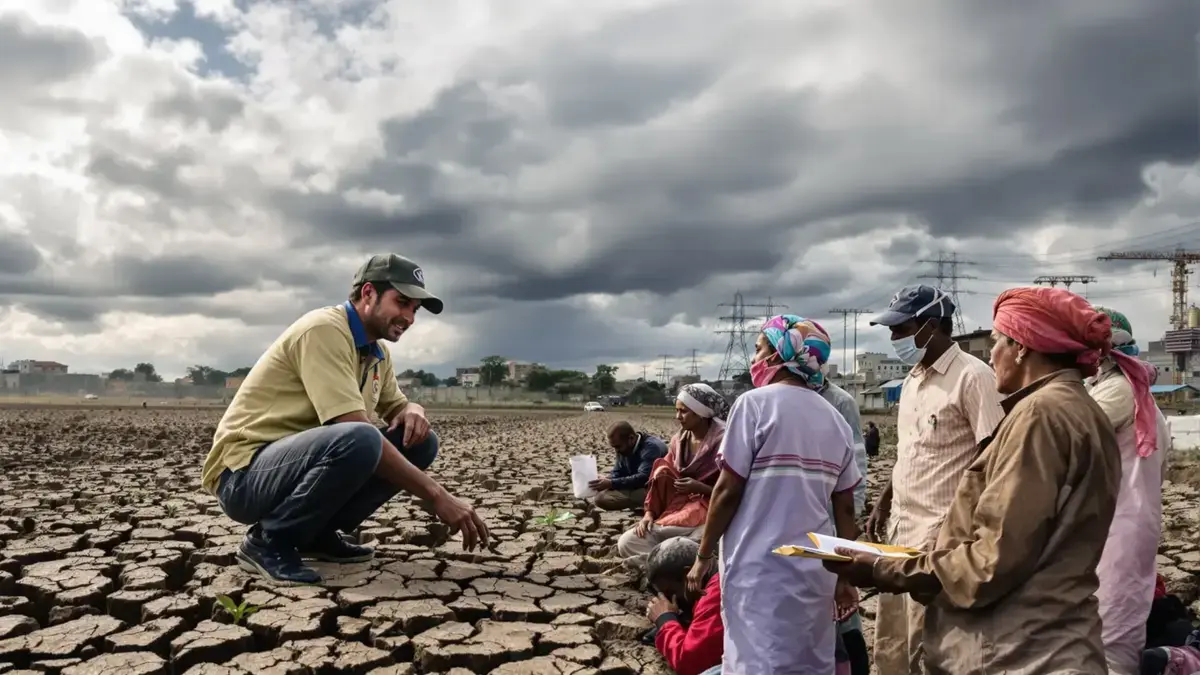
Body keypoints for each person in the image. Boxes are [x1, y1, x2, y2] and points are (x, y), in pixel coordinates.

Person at [826, 286, 1122, 674]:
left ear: (1022, 347)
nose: (991, 352)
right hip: (1046, 636)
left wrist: (882, 570)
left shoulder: (1040, 416)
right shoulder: (1074, 407)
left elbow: (991, 562)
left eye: (997, 341)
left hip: (1025, 649)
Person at [200, 254, 489, 585]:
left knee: (420, 442)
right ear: (368, 294)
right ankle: (269, 541)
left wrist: (413, 409)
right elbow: (350, 426)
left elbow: (396, 406)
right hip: (244, 476)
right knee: (359, 438)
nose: (409, 317)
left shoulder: (375, 351)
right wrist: (436, 495)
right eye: (402, 303)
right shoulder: (324, 330)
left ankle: (316, 534)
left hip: (291, 468)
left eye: (415, 310)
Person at [686, 315, 861, 675]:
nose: (754, 359)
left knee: (756, 659)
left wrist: (703, 556)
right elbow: (845, 508)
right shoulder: (835, 420)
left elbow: (727, 490)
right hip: (816, 568)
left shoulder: (753, 405)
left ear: (781, 353)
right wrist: (845, 576)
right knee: (808, 660)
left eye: (759, 349)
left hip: (760, 567)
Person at [864, 284, 1006, 674]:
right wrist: (885, 500)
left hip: (940, 538)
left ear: (930, 326)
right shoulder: (912, 379)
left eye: (900, 329)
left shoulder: (974, 378)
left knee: (929, 645)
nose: (894, 339)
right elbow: (910, 451)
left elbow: (992, 457)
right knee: (892, 641)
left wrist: (963, 529)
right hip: (901, 530)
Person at [1088, 307, 1171, 675]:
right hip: (1129, 527)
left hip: (1114, 531)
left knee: (1109, 634)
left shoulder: (1116, 393)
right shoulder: (1139, 397)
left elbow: (1063, 440)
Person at [617, 384, 727, 560]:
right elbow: (660, 480)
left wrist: (701, 488)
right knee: (628, 542)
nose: (678, 417)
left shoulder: (725, 441)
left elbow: (734, 490)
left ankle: (671, 566)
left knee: (697, 545)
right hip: (677, 512)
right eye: (676, 411)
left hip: (712, 515)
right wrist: (649, 514)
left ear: (701, 412)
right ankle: (665, 567)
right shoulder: (679, 441)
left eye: (683, 411)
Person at [816, 378, 870, 675]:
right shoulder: (773, 397)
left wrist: (847, 529)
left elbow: (856, 463)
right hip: (799, 523)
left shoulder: (839, 402)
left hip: (833, 522)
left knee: (842, 610)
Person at [644, 537, 724, 675]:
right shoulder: (717, 576)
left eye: (671, 592)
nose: (671, 601)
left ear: (688, 575)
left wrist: (666, 621)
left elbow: (689, 662)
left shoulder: (715, 594)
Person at [590, 421, 668, 511]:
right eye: (614, 447)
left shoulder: (651, 448)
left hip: (655, 490)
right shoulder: (624, 448)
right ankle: (644, 504)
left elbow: (643, 478)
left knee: (602, 498)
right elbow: (618, 471)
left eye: (618, 447)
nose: (616, 451)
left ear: (631, 438)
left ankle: (652, 505)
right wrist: (607, 478)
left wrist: (611, 483)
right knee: (600, 498)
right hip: (637, 487)